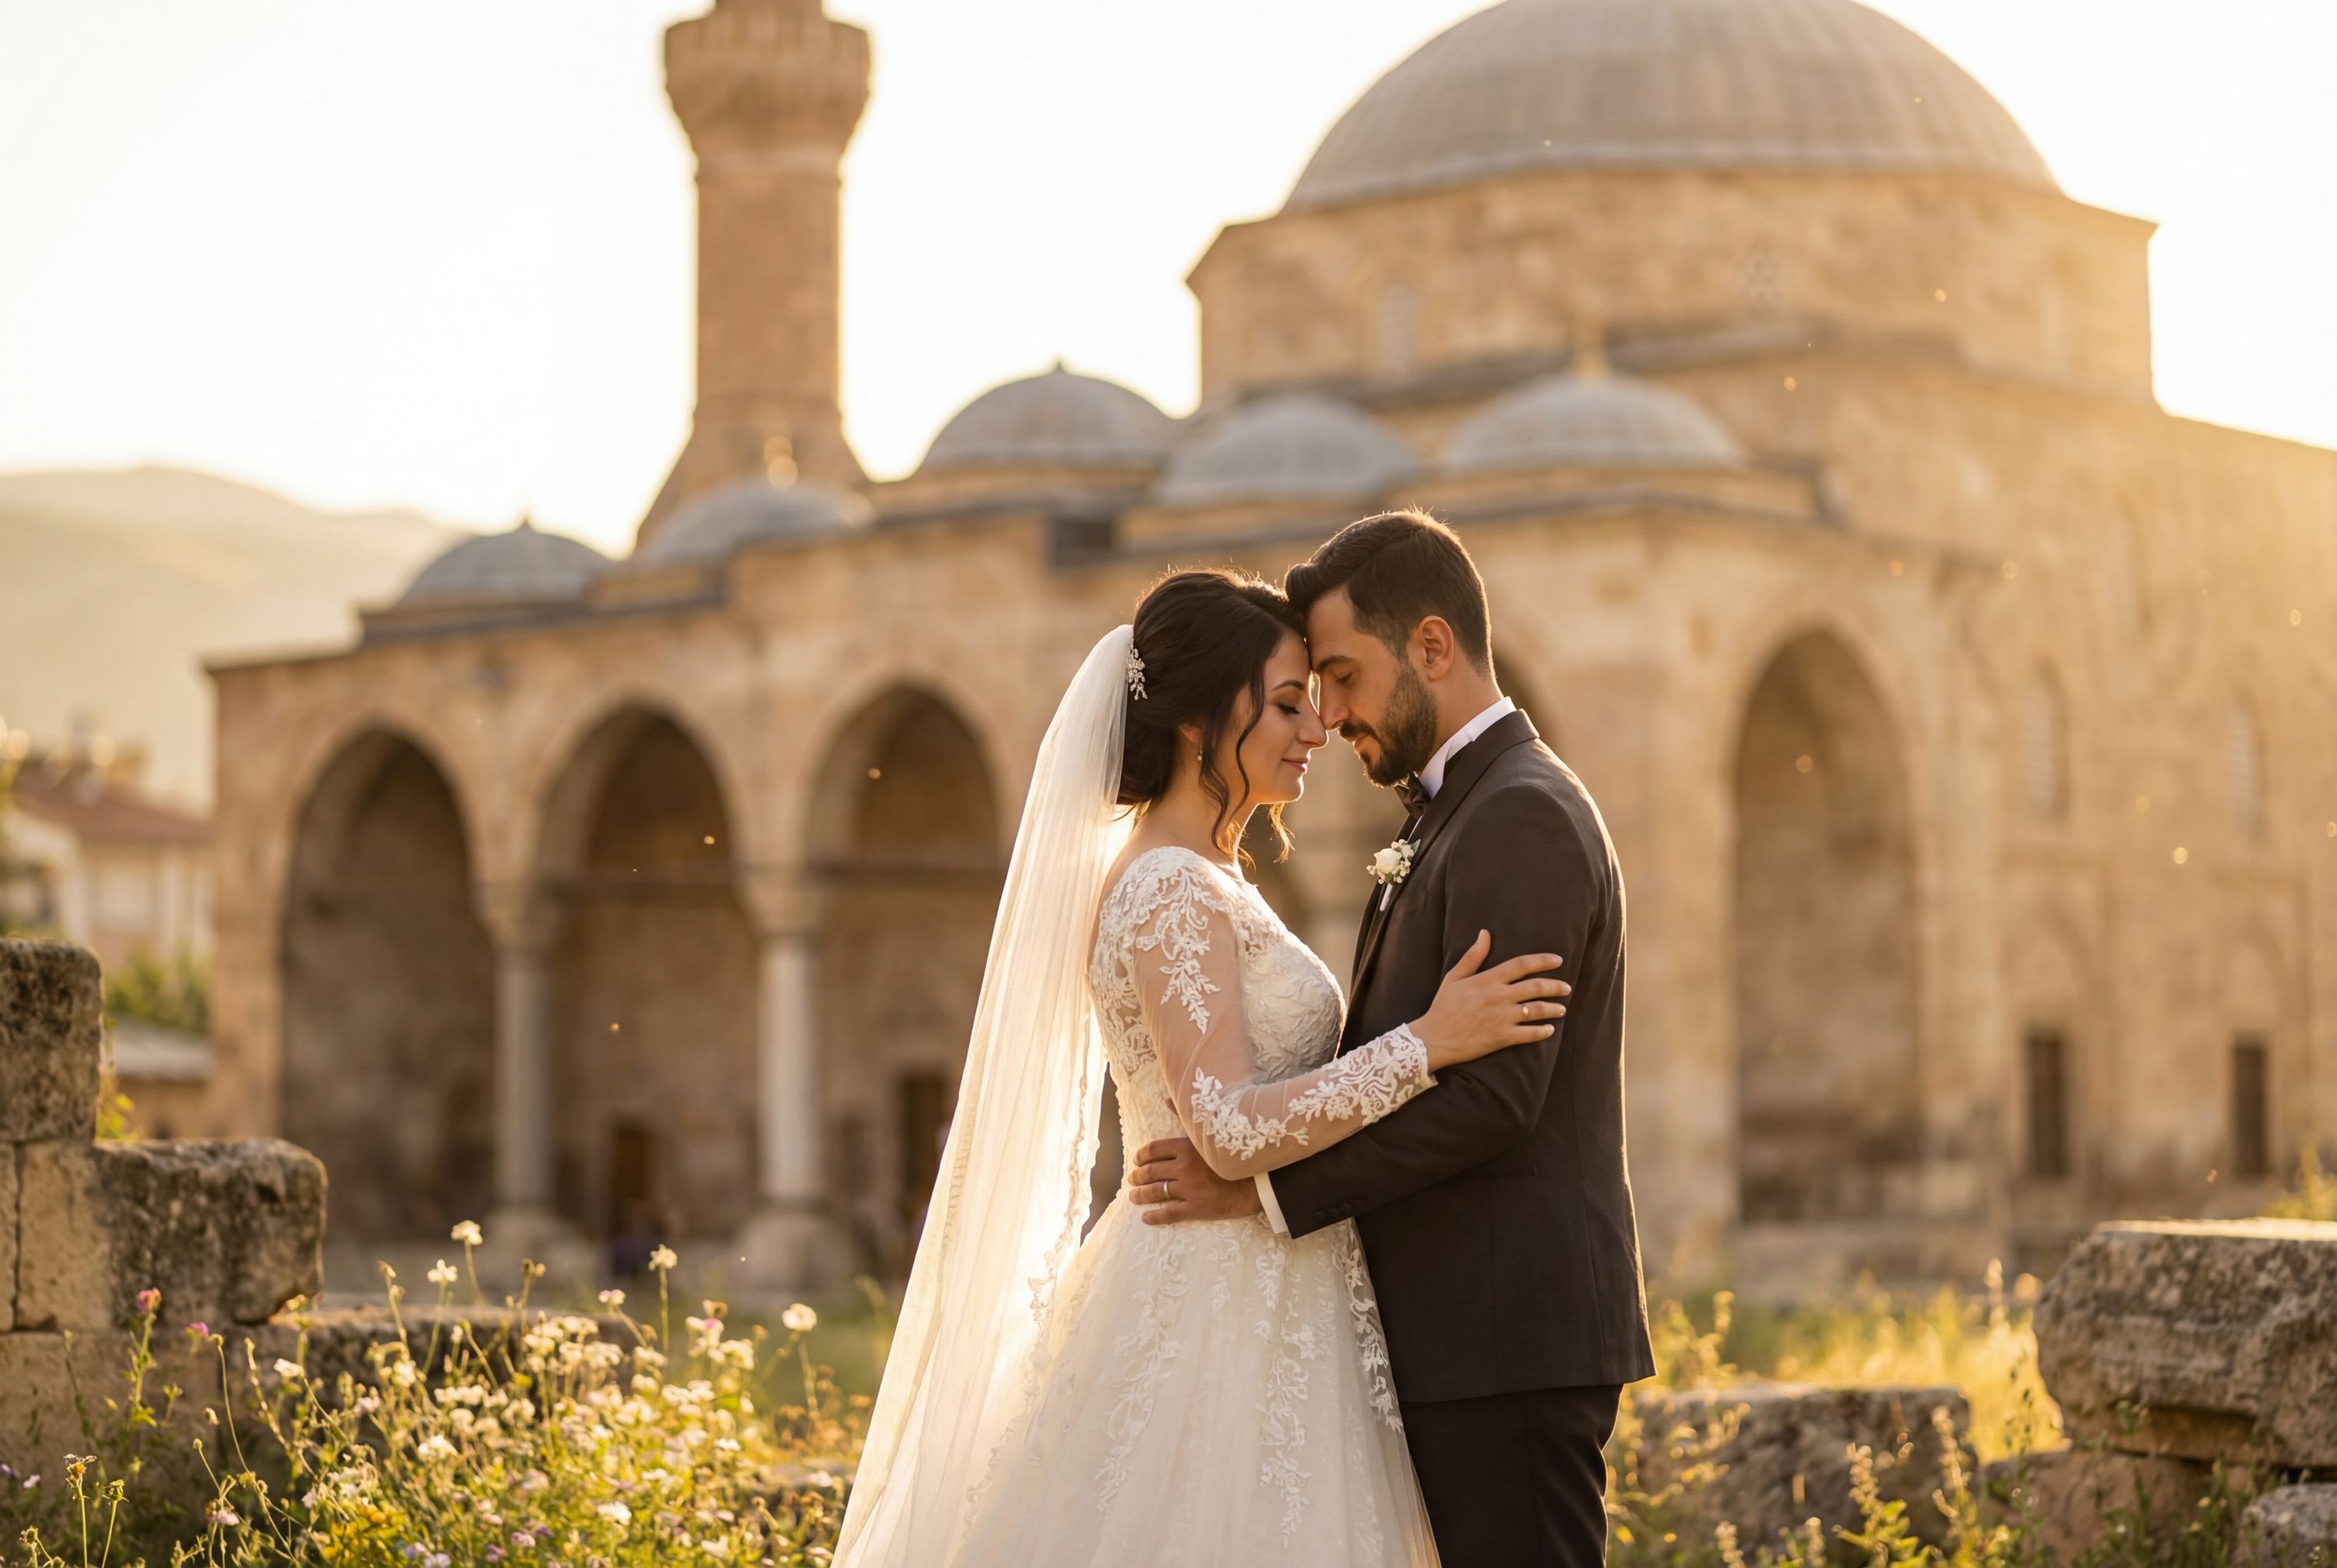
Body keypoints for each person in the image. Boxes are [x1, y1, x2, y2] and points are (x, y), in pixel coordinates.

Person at [834, 566, 1568, 1566]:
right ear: (1196, 721)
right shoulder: (1171, 885)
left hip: (1271, 1286)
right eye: (1287, 704)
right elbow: (1223, 1123)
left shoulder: (1208, 872)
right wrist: (1426, 1044)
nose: (1317, 729)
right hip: (1215, 1302)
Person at [1132, 513, 1656, 1566]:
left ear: (1431, 646)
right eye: (1306, 692)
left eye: (1341, 678)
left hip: (1506, 1339)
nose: (1329, 717)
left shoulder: (1520, 814)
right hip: (1456, 1340)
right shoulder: (1451, 812)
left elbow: (1495, 1100)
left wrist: (1263, 1194)